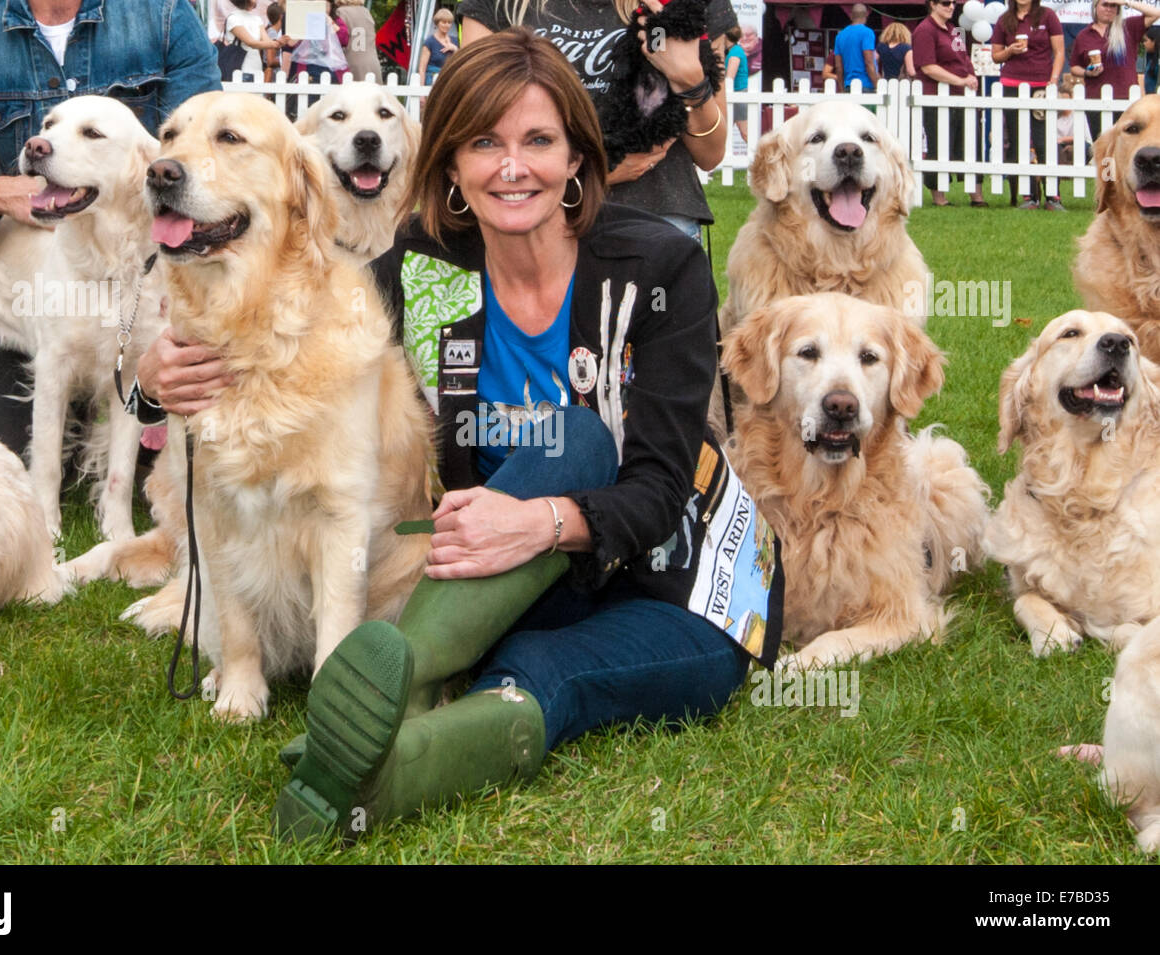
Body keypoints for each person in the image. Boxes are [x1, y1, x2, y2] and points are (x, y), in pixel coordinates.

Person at [130, 29, 780, 842]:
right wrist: (153, 383)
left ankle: (379, 775)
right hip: (508, 574)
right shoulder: (429, 266)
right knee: (554, 470)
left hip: (675, 579)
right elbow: (291, 336)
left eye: (539, 141)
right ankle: (386, 693)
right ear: (451, 167)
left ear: (578, 158)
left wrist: (541, 522)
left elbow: (658, 487)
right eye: (485, 143)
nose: (514, 167)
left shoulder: (655, 270)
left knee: (544, 638)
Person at [0, 0, 220, 461]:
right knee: (7, 461)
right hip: (36, 296)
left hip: (149, 285)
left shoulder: (163, 16)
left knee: (166, 474)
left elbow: (205, 164)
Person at [456, 0, 732, 244]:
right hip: (536, 221)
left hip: (658, 222)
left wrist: (689, 80)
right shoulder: (497, 5)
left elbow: (710, 154)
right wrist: (594, 172)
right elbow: (475, 127)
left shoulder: (679, 4)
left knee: (658, 303)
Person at [991, 0, 1066, 210]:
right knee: (1017, 140)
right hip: (1012, 84)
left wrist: (1054, 79)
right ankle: (1028, 196)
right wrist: (1010, 51)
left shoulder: (1047, 15)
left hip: (1041, 84)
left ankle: (1053, 196)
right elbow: (995, 56)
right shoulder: (1004, 20)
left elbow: (1059, 51)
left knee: (1044, 140)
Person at [912, 0, 987, 206]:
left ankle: (976, 196)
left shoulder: (954, 30)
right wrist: (960, 80)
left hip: (962, 95)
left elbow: (964, 59)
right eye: (946, 3)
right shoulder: (924, 30)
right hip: (937, 97)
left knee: (970, 144)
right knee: (939, 145)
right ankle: (940, 198)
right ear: (933, 5)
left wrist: (970, 76)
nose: (951, 6)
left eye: (954, 3)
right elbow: (928, 67)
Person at [1070, 0, 1160, 140]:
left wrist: (1125, 2)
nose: (1109, 9)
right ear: (1096, 7)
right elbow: (1074, 67)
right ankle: (1105, 164)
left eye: (1113, 6)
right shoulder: (1084, 35)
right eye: (1105, 4)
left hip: (1126, 98)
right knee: (1102, 146)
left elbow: (1156, 13)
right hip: (1095, 98)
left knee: (1125, 145)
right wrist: (1087, 72)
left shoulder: (1128, 27)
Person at [227, 0, 287, 82]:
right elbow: (251, 42)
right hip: (240, 70)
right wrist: (275, 44)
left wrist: (278, 43)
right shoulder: (233, 18)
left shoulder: (257, 19)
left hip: (257, 70)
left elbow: (267, 42)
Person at [833, 4, 880, 91]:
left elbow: (838, 66)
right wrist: (877, 85)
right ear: (867, 15)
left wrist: (841, 88)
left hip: (848, 85)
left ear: (851, 16)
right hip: (866, 85)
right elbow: (869, 62)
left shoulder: (840, 36)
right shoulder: (867, 33)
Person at [336, 0, 384, 80]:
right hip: (372, 63)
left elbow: (339, 37)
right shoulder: (366, 12)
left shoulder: (341, 12)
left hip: (352, 61)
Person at [418, 7, 459, 84]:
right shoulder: (430, 42)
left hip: (449, 81)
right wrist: (422, 94)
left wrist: (454, 49)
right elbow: (422, 69)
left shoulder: (455, 41)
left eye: (449, 22)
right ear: (437, 23)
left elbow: (460, 62)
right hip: (432, 81)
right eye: (444, 22)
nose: (447, 25)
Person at [725, 25, 750, 141]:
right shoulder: (733, 51)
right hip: (735, 95)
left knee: (745, 132)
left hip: (738, 95)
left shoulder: (735, 52)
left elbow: (730, 77)